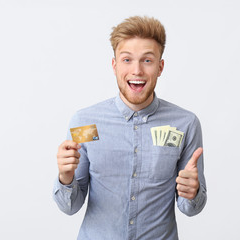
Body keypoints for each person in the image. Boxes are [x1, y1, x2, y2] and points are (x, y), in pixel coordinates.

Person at [53, 16, 207, 240]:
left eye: (147, 60)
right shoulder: (86, 123)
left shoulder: (185, 124)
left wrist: (192, 193)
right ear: (114, 65)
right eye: (127, 60)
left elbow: (190, 208)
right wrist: (65, 177)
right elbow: (70, 206)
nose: (137, 70)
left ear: (160, 67)